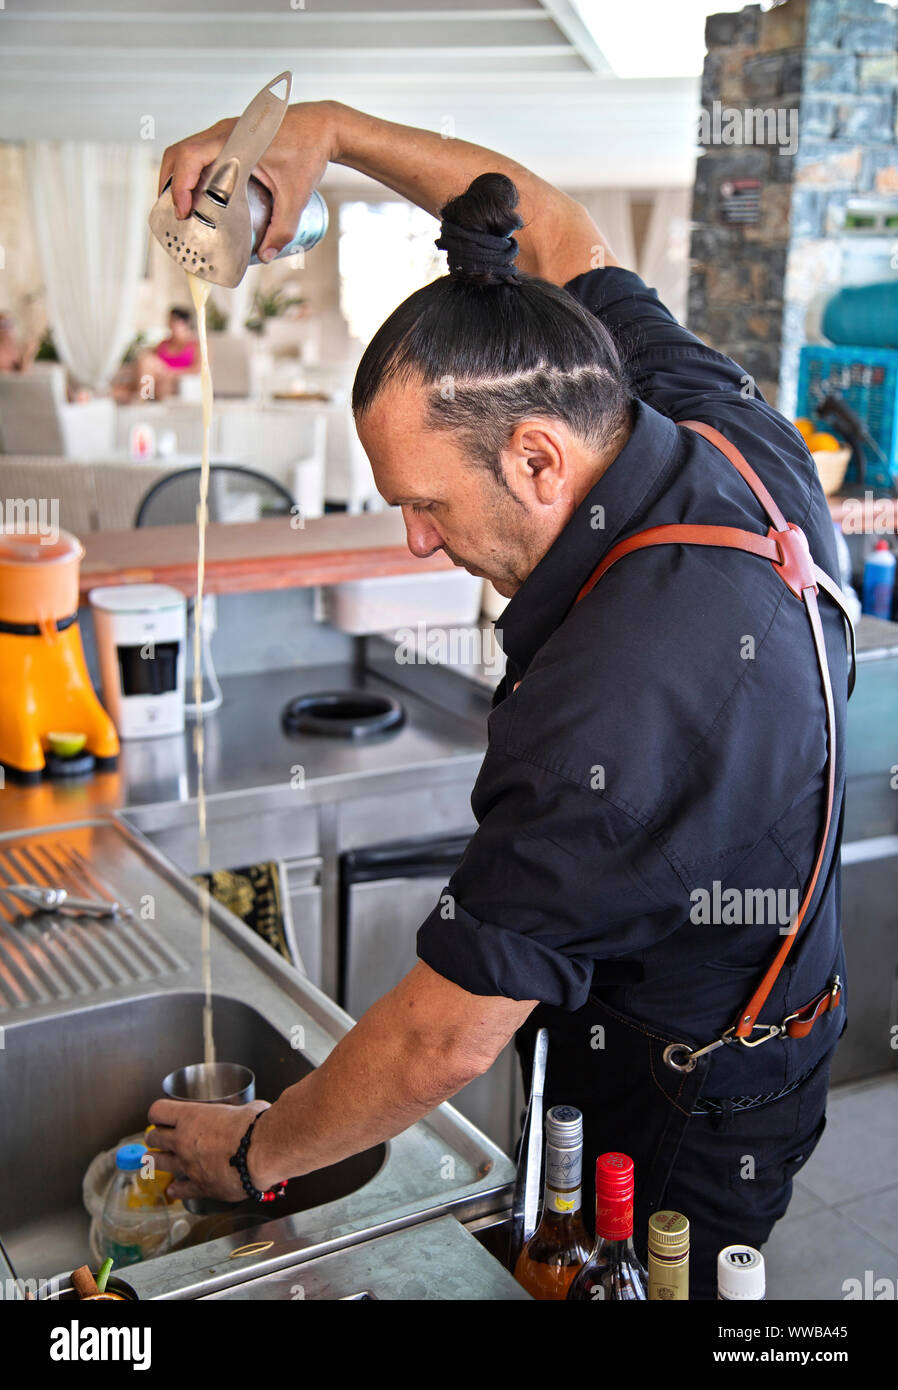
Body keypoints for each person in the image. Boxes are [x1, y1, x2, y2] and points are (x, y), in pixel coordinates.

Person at [146, 102, 850, 1299]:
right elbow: (554, 228)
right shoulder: (680, 418)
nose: (417, 542)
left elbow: (442, 1037)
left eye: (426, 504)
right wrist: (326, 130)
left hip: (691, 1090)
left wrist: (257, 1153)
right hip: (699, 999)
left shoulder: (627, 697)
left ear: (534, 459)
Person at [117, 305, 199, 402]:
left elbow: (197, 369)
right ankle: (140, 396)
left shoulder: (196, 345)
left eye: (174, 321)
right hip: (153, 379)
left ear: (185, 324)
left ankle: (142, 397)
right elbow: (146, 364)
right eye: (170, 321)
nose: (170, 325)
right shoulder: (163, 343)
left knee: (148, 365)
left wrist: (170, 372)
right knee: (123, 388)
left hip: (171, 379)